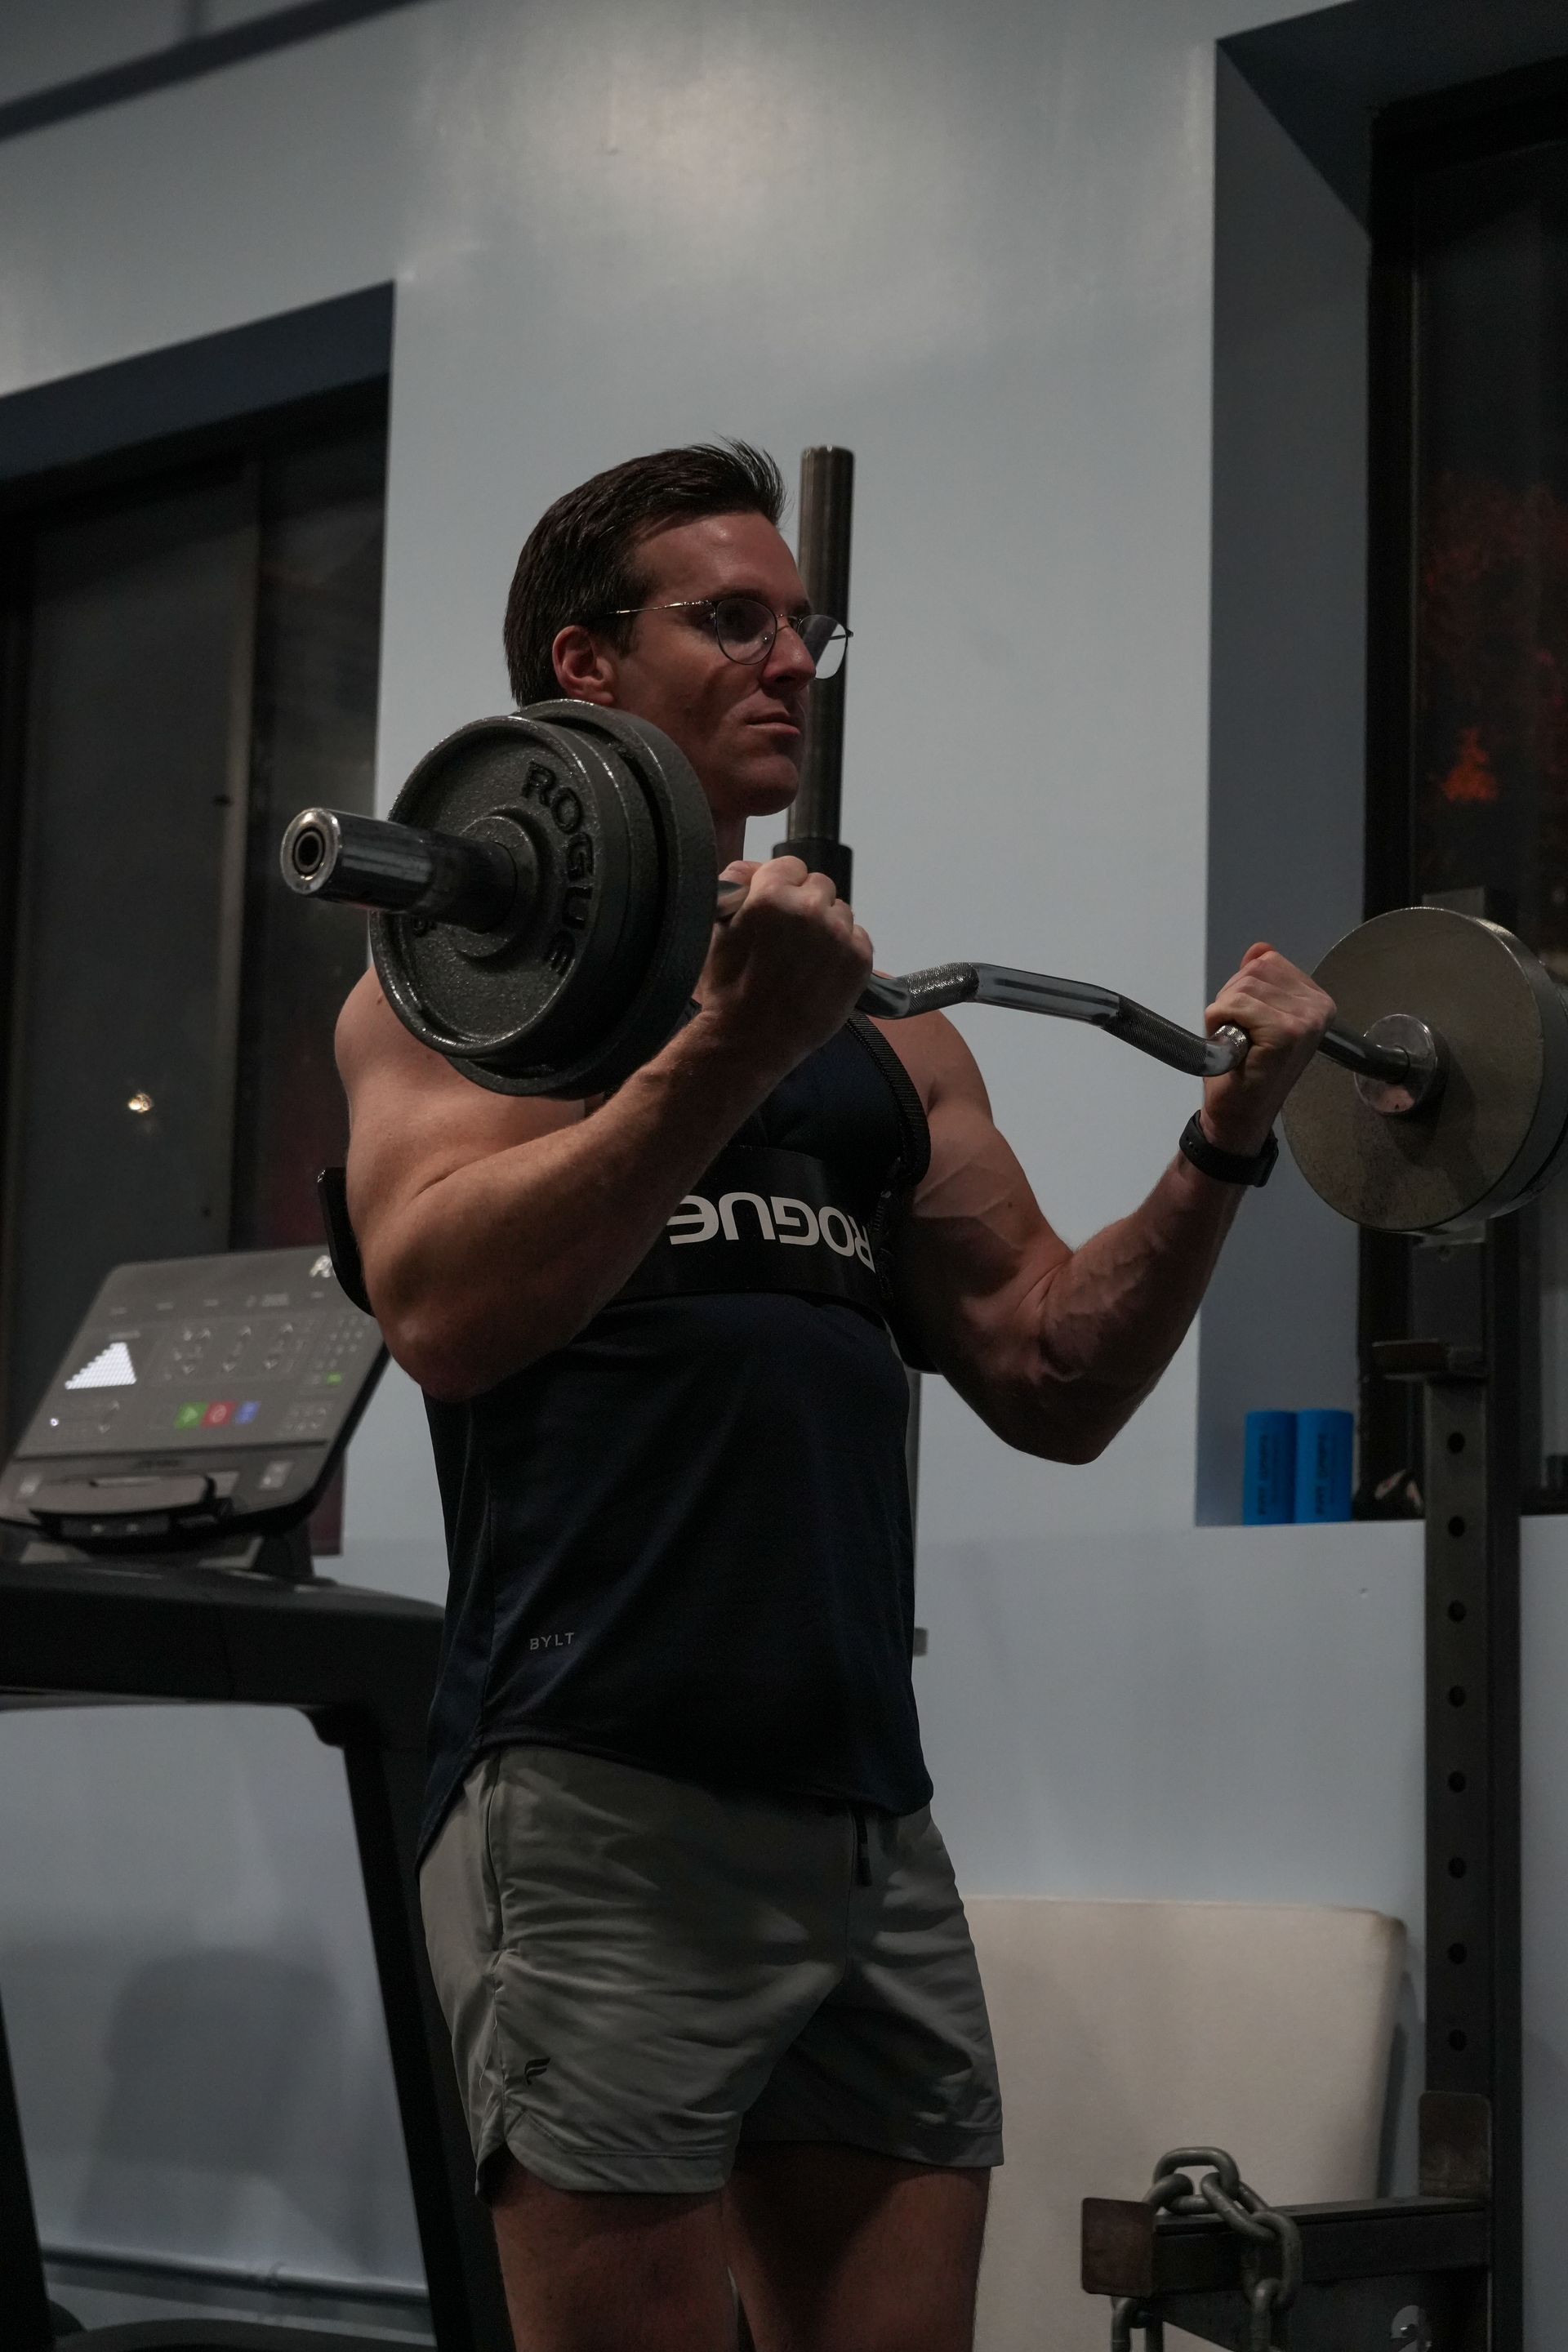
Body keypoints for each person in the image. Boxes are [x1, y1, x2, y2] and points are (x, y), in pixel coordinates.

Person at [335, 441, 1334, 2352]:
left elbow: (1054, 1371)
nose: (795, 660)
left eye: (811, 626)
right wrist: (730, 1043)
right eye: (734, 620)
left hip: (867, 1810)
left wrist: (1229, 1136)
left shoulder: (895, 1039)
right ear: (586, 665)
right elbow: (446, 1312)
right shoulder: (458, 993)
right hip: (596, 1788)